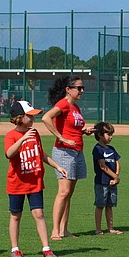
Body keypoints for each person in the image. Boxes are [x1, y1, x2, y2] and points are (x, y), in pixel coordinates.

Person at [4, 100, 65, 257]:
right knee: (16, 215)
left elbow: (41, 154)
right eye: (29, 116)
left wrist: (57, 166)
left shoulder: (35, 133)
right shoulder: (11, 135)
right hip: (17, 183)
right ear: (19, 118)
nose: (32, 120)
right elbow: (9, 154)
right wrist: (22, 139)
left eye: (33, 117)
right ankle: (15, 249)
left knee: (39, 213)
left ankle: (46, 248)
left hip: (34, 181)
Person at [41, 75, 94, 240]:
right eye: (78, 88)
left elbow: (73, 127)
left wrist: (83, 131)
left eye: (82, 88)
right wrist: (61, 137)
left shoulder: (75, 107)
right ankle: (55, 231)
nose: (81, 91)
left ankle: (64, 229)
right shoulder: (63, 104)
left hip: (77, 151)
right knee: (63, 192)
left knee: (69, 193)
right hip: (64, 152)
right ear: (68, 90)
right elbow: (46, 118)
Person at [91, 121, 123, 236]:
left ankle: (111, 228)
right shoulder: (98, 149)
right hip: (102, 182)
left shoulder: (111, 149)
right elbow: (103, 166)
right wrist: (115, 176)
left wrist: (116, 177)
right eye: (108, 134)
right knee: (100, 205)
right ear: (100, 134)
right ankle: (98, 229)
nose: (111, 137)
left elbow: (117, 162)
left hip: (112, 183)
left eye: (111, 134)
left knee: (110, 205)